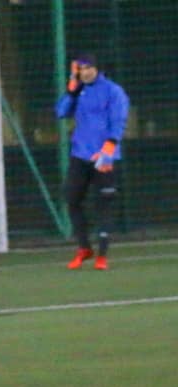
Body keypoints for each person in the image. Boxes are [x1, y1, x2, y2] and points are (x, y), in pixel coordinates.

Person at [55, 52, 130, 270]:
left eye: (88, 68)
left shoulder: (113, 91)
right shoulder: (79, 91)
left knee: (104, 203)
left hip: (104, 157)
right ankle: (84, 247)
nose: (85, 73)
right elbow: (60, 112)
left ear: (97, 69)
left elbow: (118, 120)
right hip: (80, 155)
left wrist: (110, 145)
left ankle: (102, 256)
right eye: (81, 69)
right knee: (71, 198)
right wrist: (71, 91)